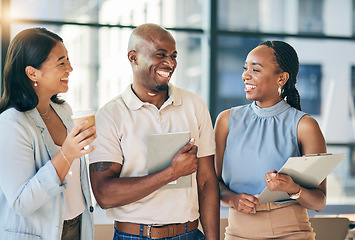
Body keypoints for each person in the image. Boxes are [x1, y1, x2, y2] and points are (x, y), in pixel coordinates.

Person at [89, 23, 220, 240]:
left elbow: (206, 182)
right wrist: (171, 173)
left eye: (173, 56)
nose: (170, 63)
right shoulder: (110, 115)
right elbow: (104, 194)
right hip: (133, 236)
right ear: (133, 58)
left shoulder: (194, 105)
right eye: (161, 55)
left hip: (189, 234)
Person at [214, 40, 327, 240]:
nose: (245, 75)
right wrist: (232, 198)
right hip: (238, 233)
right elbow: (213, 183)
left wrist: (292, 188)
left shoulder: (304, 125)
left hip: (291, 232)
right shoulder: (226, 120)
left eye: (255, 70)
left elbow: (319, 202)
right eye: (245, 68)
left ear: (282, 78)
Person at [0, 28, 96, 240]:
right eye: (61, 63)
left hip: (77, 227)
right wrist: (67, 154)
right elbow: (22, 203)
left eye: (68, 60)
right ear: (32, 73)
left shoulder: (64, 110)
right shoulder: (12, 123)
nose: (70, 68)